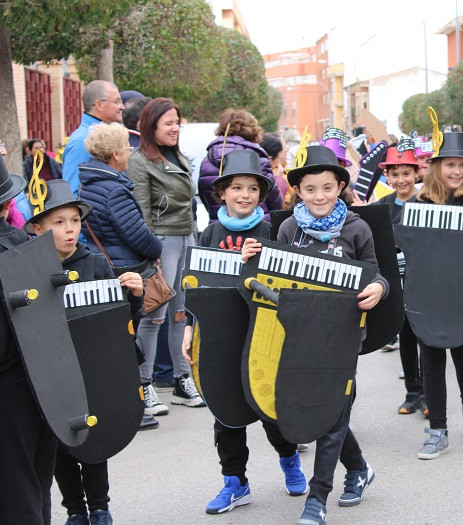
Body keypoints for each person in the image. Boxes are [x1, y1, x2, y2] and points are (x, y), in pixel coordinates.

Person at [242, 143, 387, 525]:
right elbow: (272, 280)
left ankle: (317, 498)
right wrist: (252, 260)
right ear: (298, 192)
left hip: (343, 335)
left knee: (335, 411)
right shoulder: (288, 228)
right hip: (299, 333)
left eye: (327, 187)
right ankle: (358, 468)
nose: (319, 195)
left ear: (340, 186)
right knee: (329, 409)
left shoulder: (357, 228)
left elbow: (375, 273)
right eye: (310, 189)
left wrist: (380, 289)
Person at [180, 150, 307, 515]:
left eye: (253, 188)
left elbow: (283, 284)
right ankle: (234, 482)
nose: (245, 195)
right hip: (219, 335)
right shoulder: (209, 233)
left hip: (262, 333)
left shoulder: (272, 230)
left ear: (261, 194)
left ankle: (289, 461)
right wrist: (190, 328)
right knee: (226, 411)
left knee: (268, 406)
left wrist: (257, 258)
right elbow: (196, 285)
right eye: (237, 187)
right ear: (222, 192)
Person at [25, 179, 144, 525]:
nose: (69, 230)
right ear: (37, 228)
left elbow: (120, 323)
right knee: (61, 445)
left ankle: (100, 507)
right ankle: (74, 510)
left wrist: (134, 298)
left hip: (93, 370)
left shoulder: (95, 264)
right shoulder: (29, 269)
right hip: (51, 374)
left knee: (94, 442)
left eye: (74, 221)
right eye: (58, 223)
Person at [406, 132, 463, 460]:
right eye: (450, 165)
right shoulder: (419, 203)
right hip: (428, 293)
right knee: (430, 361)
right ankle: (437, 430)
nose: (457, 171)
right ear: (436, 167)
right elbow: (402, 239)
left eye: (462, 165)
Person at [77, 122, 163, 430]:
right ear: (115, 154)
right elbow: (137, 235)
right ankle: (133, 407)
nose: (130, 153)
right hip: (127, 271)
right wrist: (158, 247)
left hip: (109, 265)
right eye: (127, 148)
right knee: (130, 341)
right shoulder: (114, 190)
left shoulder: (89, 182)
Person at [126, 97, 204, 415]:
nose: (175, 128)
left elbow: (188, 205)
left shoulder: (178, 156)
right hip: (160, 245)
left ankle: (182, 380)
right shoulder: (139, 162)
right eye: (168, 123)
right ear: (150, 125)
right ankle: (145, 386)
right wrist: (151, 255)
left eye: (177, 122)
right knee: (154, 315)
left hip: (186, 239)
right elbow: (141, 212)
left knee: (180, 314)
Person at [0, 155, 56, 524]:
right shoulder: (30, 246)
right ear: (7, 205)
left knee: (16, 494)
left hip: (8, 390)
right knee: (36, 486)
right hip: (46, 384)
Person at [375, 146, 427, 415]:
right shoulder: (380, 208)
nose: (401, 180)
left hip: (425, 281)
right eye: (394, 174)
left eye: (406, 173)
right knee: (405, 336)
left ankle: (429, 393)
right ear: (387, 176)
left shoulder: (428, 203)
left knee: (426, 338)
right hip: (397, 282)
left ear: (417, 173)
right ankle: (412, 393)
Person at [199, 109, 280, 223]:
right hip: (256, 224)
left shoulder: (207, 160)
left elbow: (205, 196)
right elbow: (273, 198)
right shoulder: (256, 157)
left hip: (219, 225)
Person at [62, 80, 124, 194]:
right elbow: (72, 194)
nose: (122, 107)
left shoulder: (103, 136)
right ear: (99, 105)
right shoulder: (82, 141)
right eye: (117, 102)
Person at [260, 132, 290, 208]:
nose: (286, 150)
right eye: (279, 157)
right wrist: (277, 178)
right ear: (270, 159)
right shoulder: (267, 175)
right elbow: (276, 204)